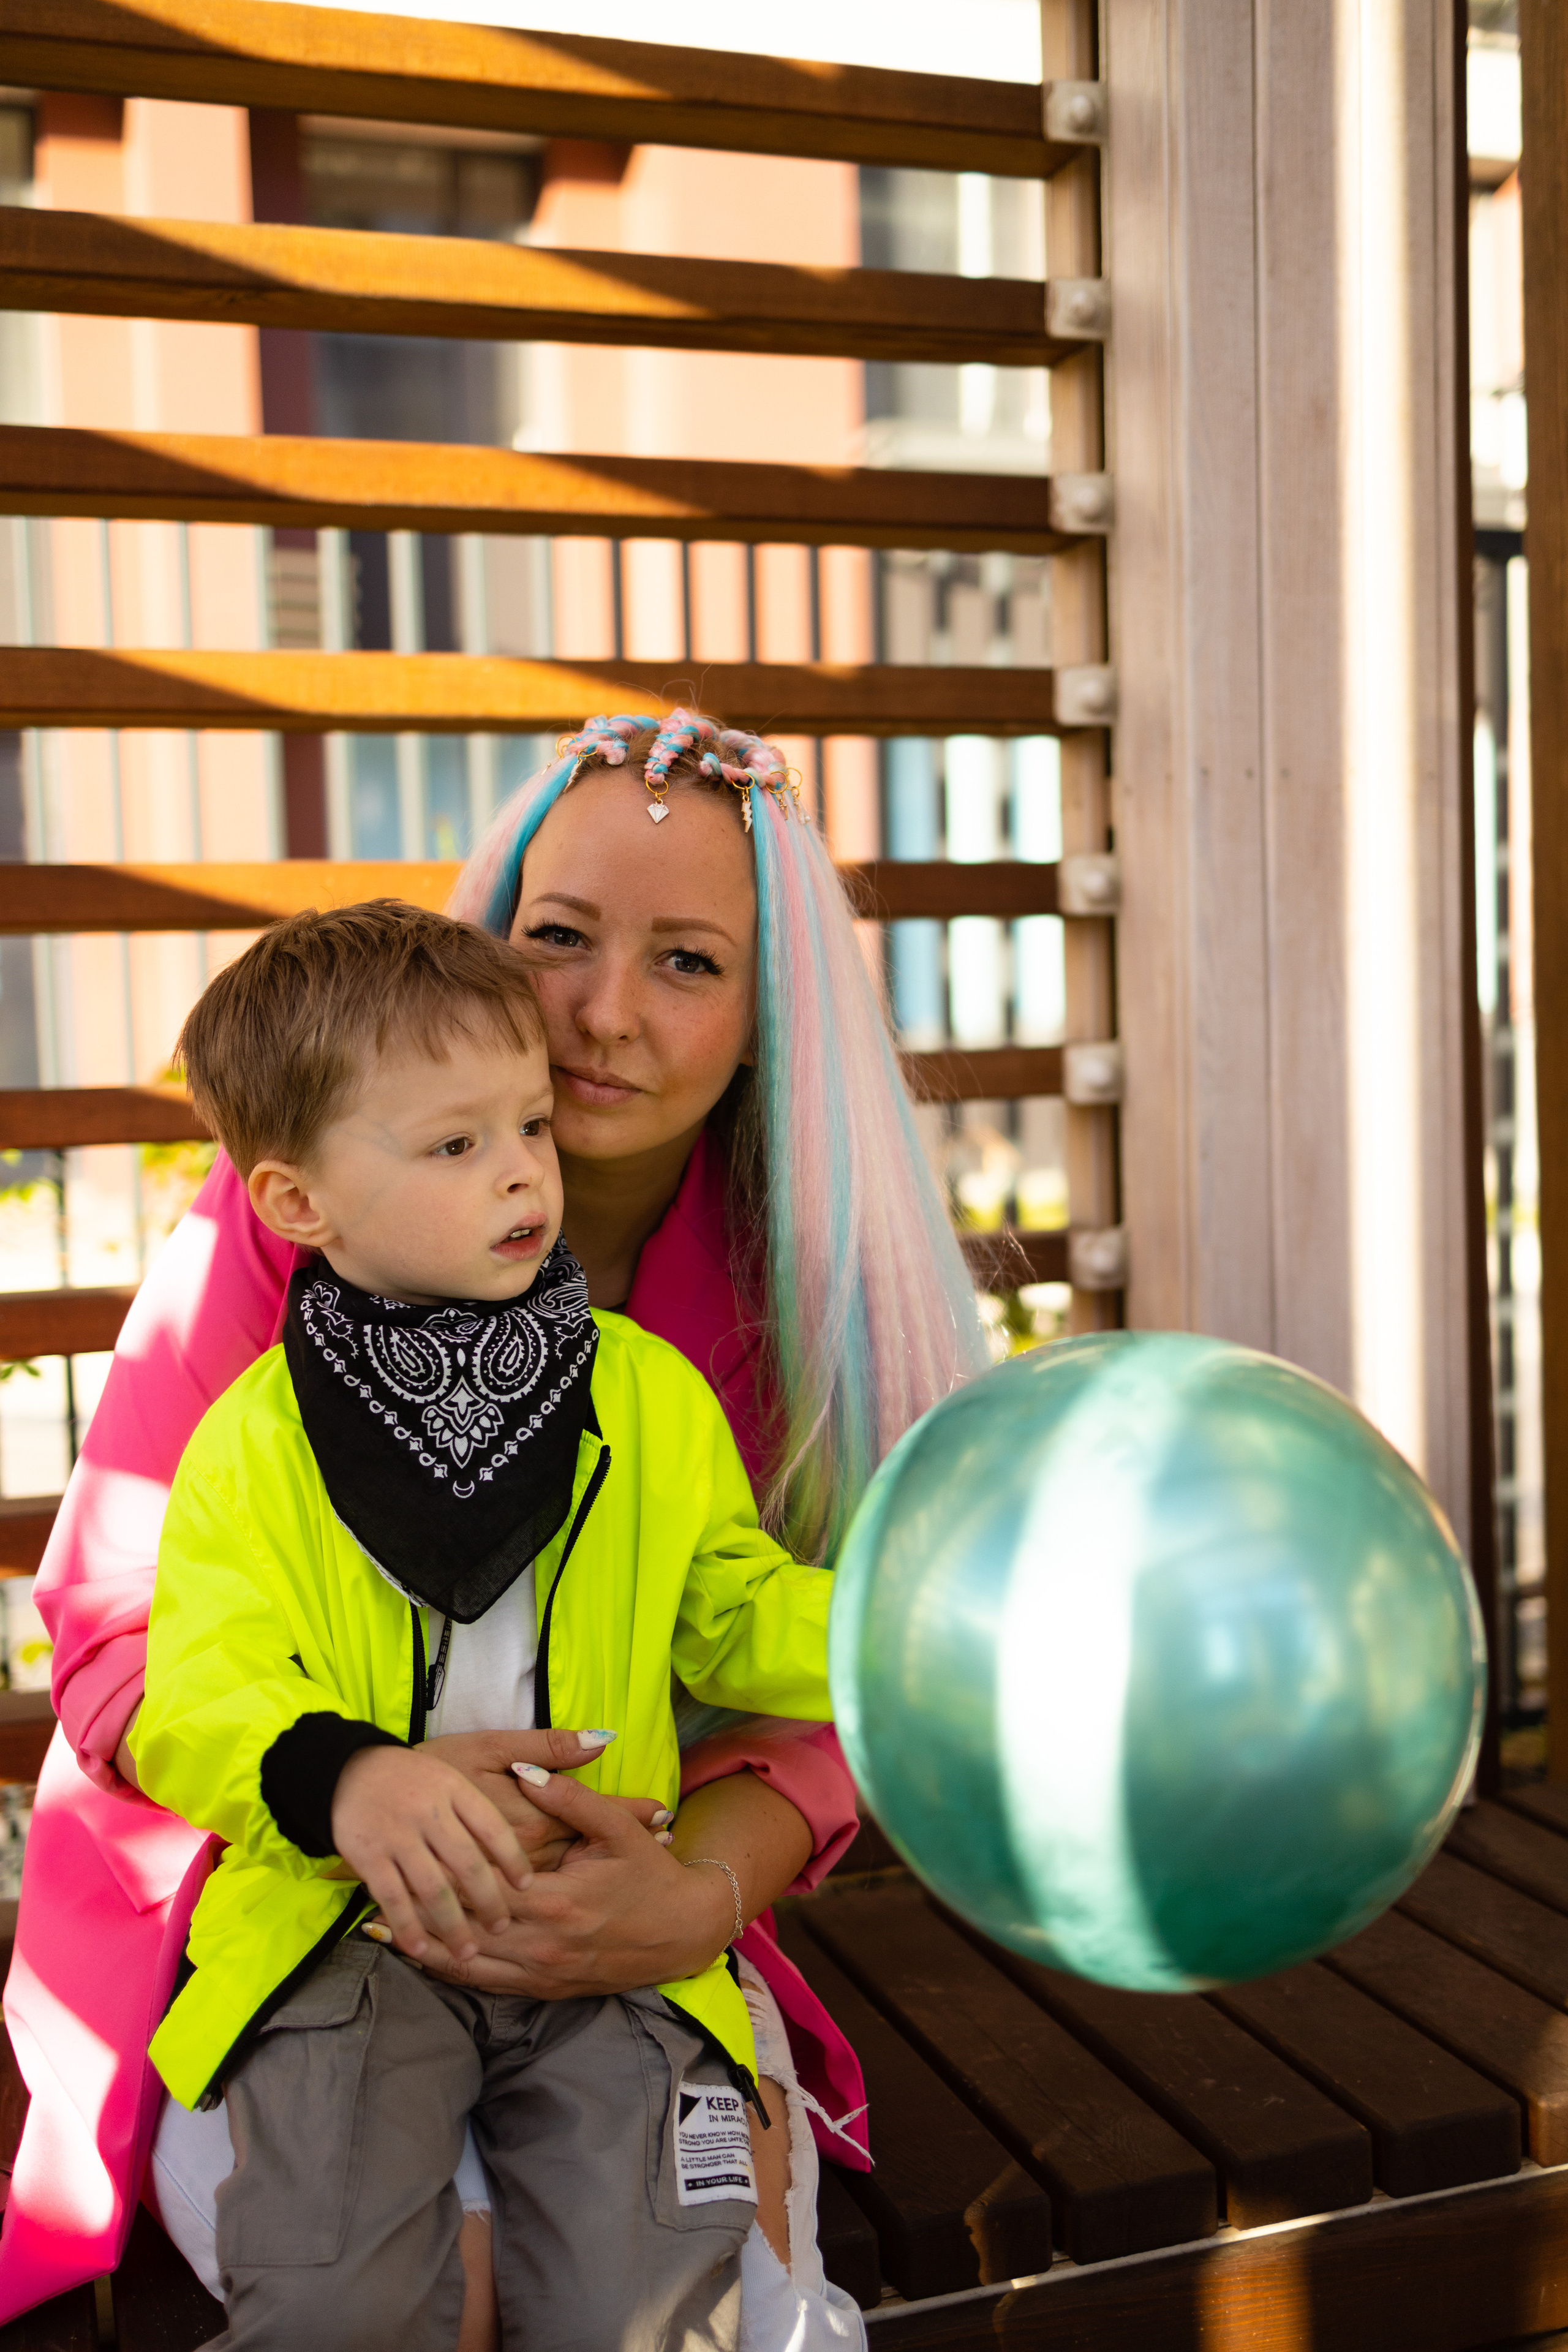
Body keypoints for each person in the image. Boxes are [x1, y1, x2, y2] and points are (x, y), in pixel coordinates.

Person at [0, 709, 987, 2342]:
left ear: (773, 1017)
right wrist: (347, 1783)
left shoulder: (742, 1327)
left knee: (702, 2284)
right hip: (274, 1901)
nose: (602, 1017)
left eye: (687, 962)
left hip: (614, 1917)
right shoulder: (286, 1249)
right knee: (424, 2293)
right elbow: (131, 1640)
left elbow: (778, 1642)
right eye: (558, 939)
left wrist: (696, 1896)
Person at [136, 895, 836, 2352]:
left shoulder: (639, 1395)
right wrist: (347, 1781)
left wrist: (899, 1630)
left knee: (644, 2295)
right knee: (330, 2288)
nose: (523, 1173)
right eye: (456, 1146)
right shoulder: (254, 1446)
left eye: (527, 1125)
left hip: (596, 1920)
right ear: (295, 1203)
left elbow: (731, 1609)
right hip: (351, 1934)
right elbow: (202, 1692)